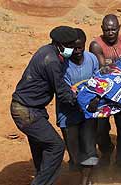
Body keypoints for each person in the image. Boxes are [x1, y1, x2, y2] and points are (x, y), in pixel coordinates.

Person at [10, 26, 78, 185]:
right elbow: (61, 92)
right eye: (69, 45)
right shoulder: (52, 61)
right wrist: (81, 99)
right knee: (56, 147)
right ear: (59, 44)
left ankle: (42, 178)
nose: (72, 49)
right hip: (27, 111)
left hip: (31, 108)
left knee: (40, 148)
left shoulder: (47, 50)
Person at [89, 14, 121, 171]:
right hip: (103, 94)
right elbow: (103, 71)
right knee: (100, 129)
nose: (110, 32)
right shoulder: (96, 45)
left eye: (113, 29)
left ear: (119, 28)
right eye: (107, 29)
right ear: (102, 29)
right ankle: (106, 151)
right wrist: (116, 68)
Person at [56, 28, 99, 185]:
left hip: (88, 112)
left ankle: (86, 179)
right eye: (74, 47)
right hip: (68, 114)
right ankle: (80, 171)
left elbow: (99, 83)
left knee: (88, 147)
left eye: (81, 47)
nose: (78, 51)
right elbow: (65, 92)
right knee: (74, 150)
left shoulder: (92, 59)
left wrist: (96, 100)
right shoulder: (62, 64)